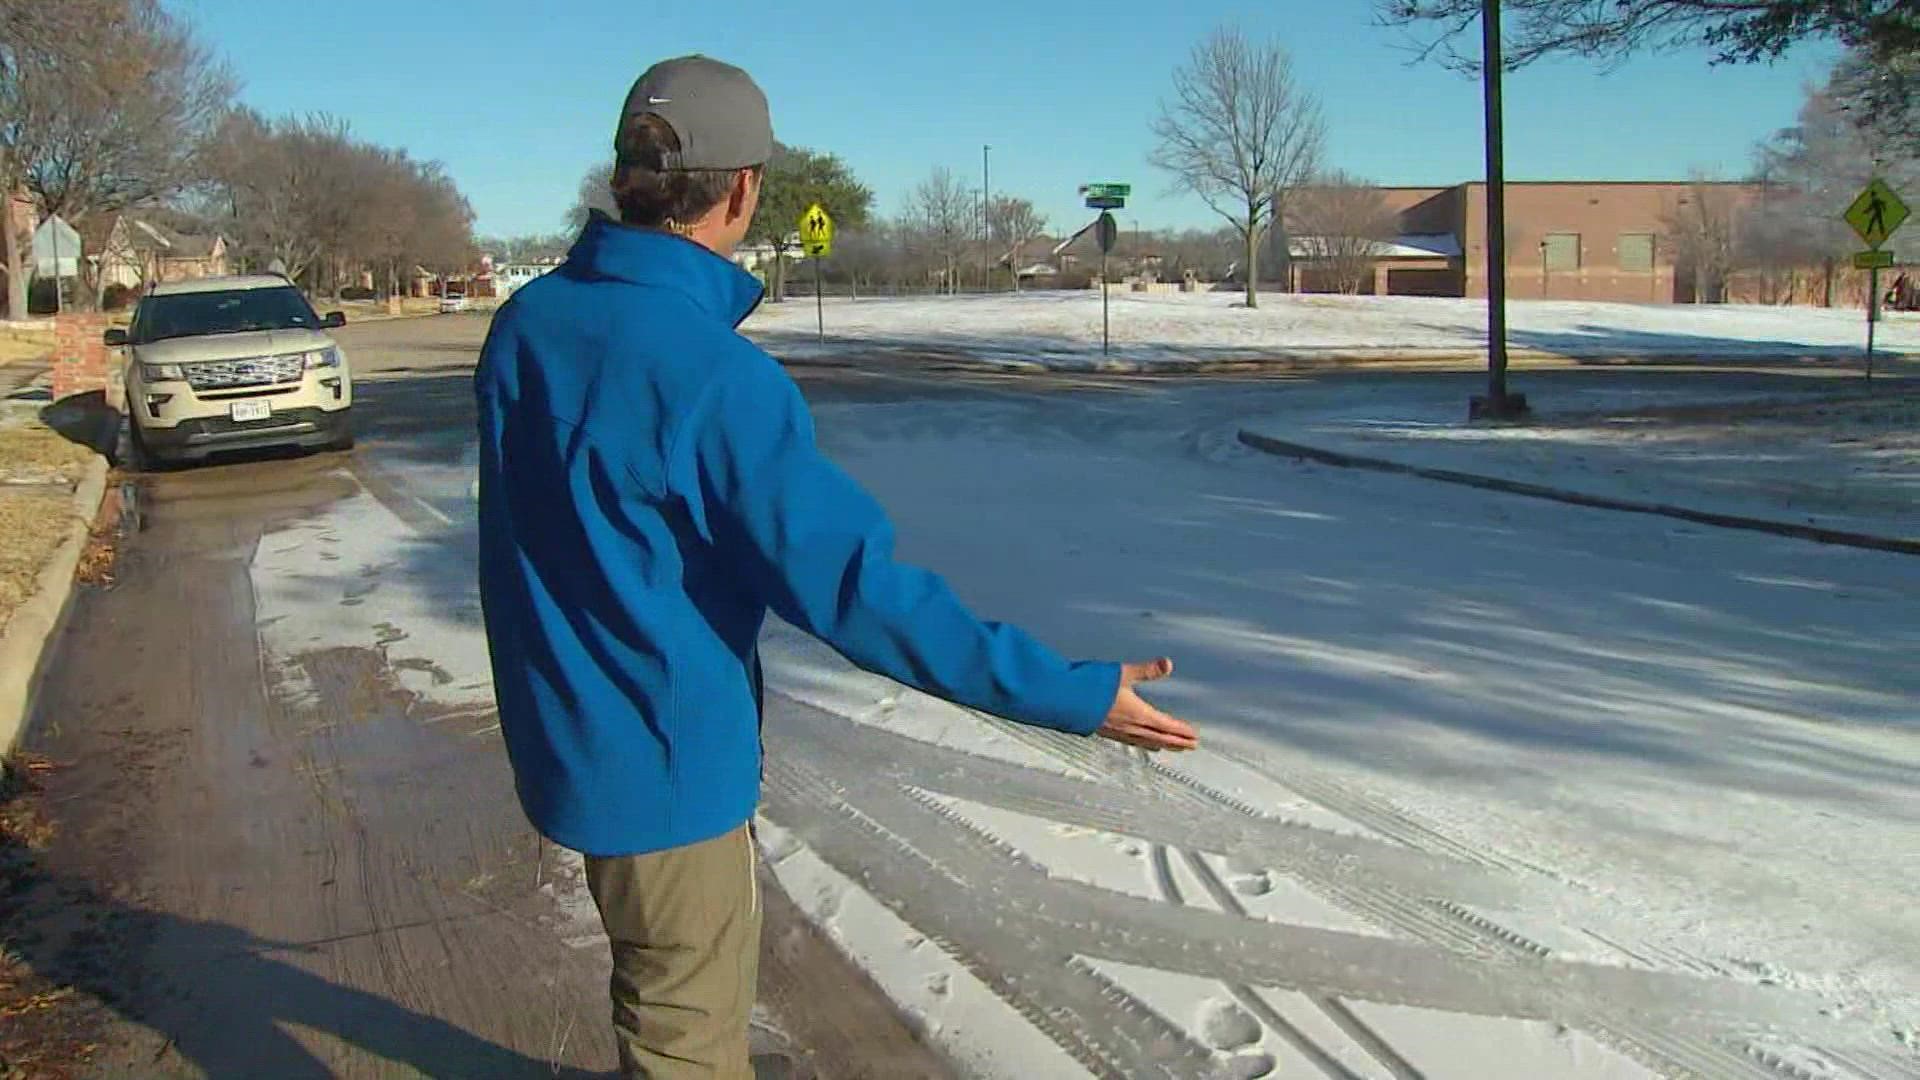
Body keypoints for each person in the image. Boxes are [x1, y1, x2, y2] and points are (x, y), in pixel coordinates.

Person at [473, 56, 1198, 1079]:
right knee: (684, 1041)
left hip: (566, 749)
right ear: (742, 189)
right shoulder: (715, 375)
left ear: (628, 173)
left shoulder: (527, 325)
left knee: (656, 990)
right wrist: (1069, 691)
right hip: (668, 782)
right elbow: (860, 591)